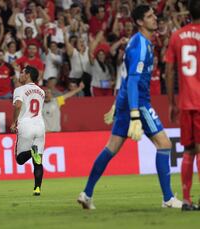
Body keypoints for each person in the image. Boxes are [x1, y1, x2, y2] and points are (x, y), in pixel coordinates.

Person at [77, 5, 182, 210]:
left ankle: (87, 193)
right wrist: (135, 114)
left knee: (111, 148)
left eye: (154, 15)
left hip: (126, 101)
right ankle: (168, 198)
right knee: (164, 144)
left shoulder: (136, 42)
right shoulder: (141, 45)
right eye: (150, 16)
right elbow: (133, 81)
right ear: (140, 22)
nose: (155, 19)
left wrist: (118, 103)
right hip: (139, 103)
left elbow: (125, 79)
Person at [164, 0, 200, 211]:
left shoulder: (177, 35)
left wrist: (170, 102)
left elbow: (169, 71)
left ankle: (186, 200)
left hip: (186, 102)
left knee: (188, 150)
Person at [10, 66, 45, 196]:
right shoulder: (41, 91)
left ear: (28, 74)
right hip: (40, 126)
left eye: (22, 73)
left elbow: (18, 105)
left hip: (26, 125)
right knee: (38, 161)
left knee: (19, 159)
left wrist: (14, 122)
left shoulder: (20, 89)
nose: (20, 75)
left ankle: (31, 152)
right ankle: (37, 188)